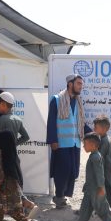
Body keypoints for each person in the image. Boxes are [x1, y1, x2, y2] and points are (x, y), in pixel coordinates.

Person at [0, 91, 38, 217]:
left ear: (3, 104)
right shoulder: (17, 119)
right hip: (13, 157)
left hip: (2, 158)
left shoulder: (3, 119)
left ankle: (4, 211)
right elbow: (26, 137)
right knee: (13, 182)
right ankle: (24, 204)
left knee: (1, 182)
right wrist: (13, 144)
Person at [47, 74, 92, 208]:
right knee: (62, 170)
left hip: (75, 143)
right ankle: (59, 196)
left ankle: (63, 195)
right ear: (70, 84)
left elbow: (80, 123)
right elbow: (51, 122)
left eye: (81, 84)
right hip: (61, 143)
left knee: (73, 171)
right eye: (79, 83)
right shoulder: (56, 100)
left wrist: (92, 133)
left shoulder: (78, 102)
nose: (81, 86)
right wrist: (52, 140)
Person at [0, 131, 38, 221]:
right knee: (0, 204)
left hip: (5, 183)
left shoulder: (1, 152)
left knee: (8, 207)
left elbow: (1, 169)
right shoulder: (12, 151)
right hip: (13, 182)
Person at [69, 133, 111, 221]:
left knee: (101, 208)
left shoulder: (95, 157)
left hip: (96, 189)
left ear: (93, 145)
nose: (83, 146)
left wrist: (101, 187)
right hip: (90, 189)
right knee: (85, 209)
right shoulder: (94, 156)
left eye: (85, 144)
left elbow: (99, 174)